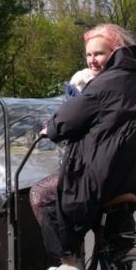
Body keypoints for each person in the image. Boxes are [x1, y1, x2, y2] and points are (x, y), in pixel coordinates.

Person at [38, 24, 136, 270]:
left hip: (98, 178)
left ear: (116, 51)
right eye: (88, 55)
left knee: (40, 195)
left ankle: (69, 260)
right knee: (117, 240)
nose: (92, 60)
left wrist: (48, 130)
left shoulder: (106, 83)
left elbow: (67, 119)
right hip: (131, 178)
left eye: (99, 54)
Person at [29, 67, 93, 228]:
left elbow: (64, 126)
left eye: (81, 84)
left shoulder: (86, 103)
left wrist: (50, 130)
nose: (77, 88)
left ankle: (61, 252)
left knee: (38, 194)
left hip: (89, 175)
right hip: (127, 176)